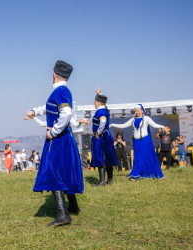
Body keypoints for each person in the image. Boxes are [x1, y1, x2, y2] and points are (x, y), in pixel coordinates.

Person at [25, 60, 84, 227]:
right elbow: (50, 107)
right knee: (65, 171)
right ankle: (73, 206)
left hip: (58, 139)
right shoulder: (62, 91)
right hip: (65, 138)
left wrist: (53, 131)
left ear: (54, 75)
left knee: (53, 172)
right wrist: (35, 111)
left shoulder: (60, 91)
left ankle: (62, 214)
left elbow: (66, 113)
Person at [110, 104, 165, 180]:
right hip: (136, 142)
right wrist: (112, 124)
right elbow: (124, 125)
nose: (137, 112)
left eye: (138, 111)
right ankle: (136, 174)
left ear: (142, 111)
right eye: (136, 111)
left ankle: (152, 173)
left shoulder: (146, 118)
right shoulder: (133, 119)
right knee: (138, 157)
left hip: (145, 141)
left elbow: (154, 125)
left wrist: (163, 127)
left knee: (148, 156)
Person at [82, 87, 118, 186]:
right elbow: (105, 105)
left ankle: (102, 181)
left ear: (98, 102)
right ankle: (109, 180)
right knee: (108, 157)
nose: (94, 103)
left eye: (95, 101)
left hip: (101, 137)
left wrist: (98, 132)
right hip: (106, 135)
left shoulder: (100, 112)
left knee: (99, 157)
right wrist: (100, 93)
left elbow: (103, 121)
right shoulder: (105, 109)